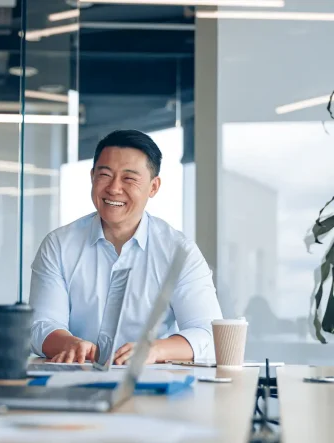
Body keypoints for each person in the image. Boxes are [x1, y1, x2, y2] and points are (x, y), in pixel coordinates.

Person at [29, 129, 223, 365]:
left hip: (153, 386)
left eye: (129, 178)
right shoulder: (59, 245)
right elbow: (41, 325)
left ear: (153, 187)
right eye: (105, 175)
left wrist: (154, 350)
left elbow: (209, 335)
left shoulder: (179, 251)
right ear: (92, 177)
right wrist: (70, 344)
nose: (114, 188)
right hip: (75, 379)